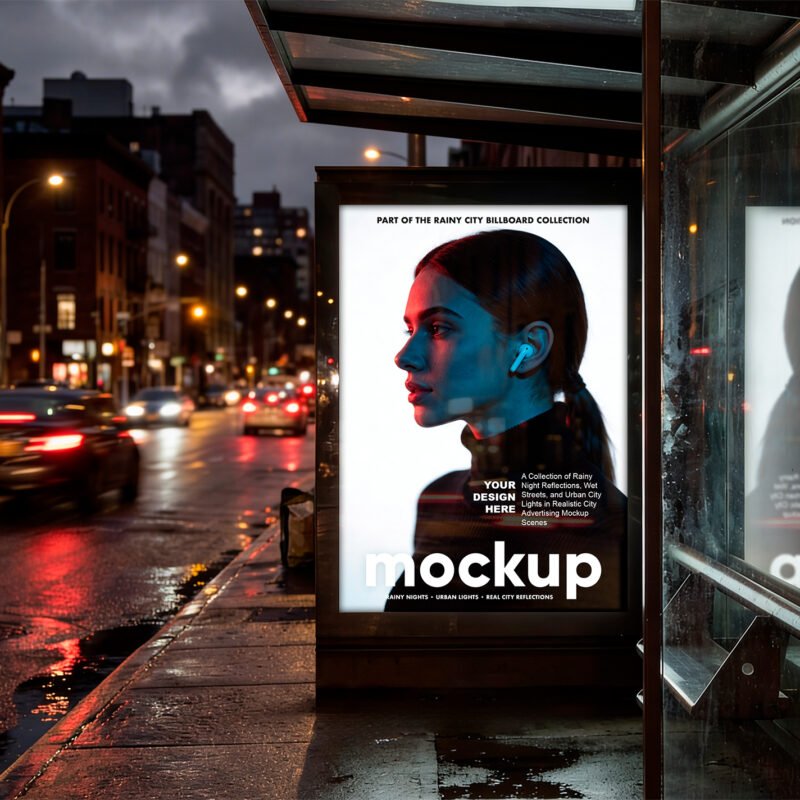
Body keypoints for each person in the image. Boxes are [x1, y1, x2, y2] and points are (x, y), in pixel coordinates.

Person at [384, 229, 626, 611]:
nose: (404, 355)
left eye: (438, 328)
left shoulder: (605, 531)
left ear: (528, 349)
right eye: (410, 329)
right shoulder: (438, 499)